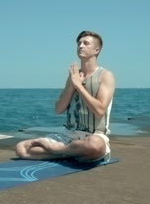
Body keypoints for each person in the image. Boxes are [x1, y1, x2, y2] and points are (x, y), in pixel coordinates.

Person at [15, 31, 116, 162]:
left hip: (94, 136)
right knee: (21, 148)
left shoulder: (106, 76)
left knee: (95, 146)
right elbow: (58, 109)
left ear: (96, 50)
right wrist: (72, 86)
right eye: (79, 43)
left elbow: (100, 110)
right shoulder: (74, 76)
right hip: (69, 135)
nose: (81, 46)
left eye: (86, 43)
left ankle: (58, 151)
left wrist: (79, 86)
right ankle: (72, 152)